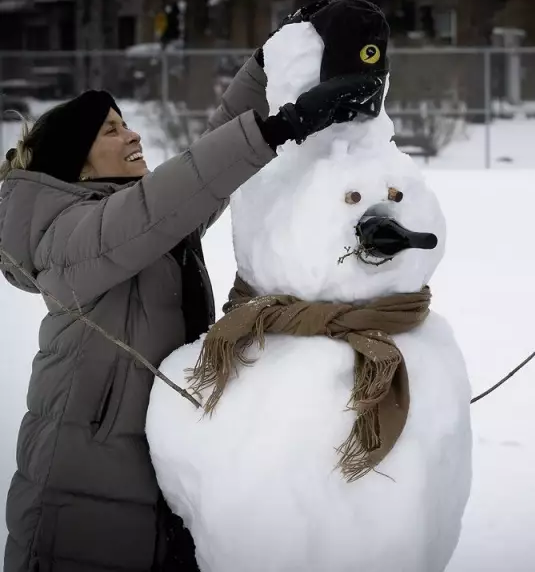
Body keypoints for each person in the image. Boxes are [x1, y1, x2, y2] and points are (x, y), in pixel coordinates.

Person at [0, 43, 383, 571]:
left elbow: (198, 177)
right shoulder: (66, 239)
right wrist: (277, 129)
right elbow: (163, 201)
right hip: (76, 496)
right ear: (77, 166)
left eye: (126, 123)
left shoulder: (140, 221)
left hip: (154, 485)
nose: (131, 134)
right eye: (109, 131)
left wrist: (267, 61)